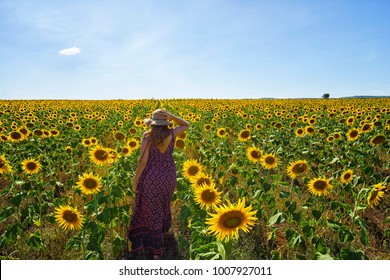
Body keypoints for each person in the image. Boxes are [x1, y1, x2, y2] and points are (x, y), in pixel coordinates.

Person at [127, 108, 189, 260]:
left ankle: (154, 250)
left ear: (153, 124)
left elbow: (143, 162)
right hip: (168, 177)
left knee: (151, 210)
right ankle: (160, 238)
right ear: (166, 122)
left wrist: (136, 181)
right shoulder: (172, 134)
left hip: (151, 178)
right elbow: (186, 125)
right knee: (162, 206)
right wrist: (172, 116)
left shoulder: (147, 136)